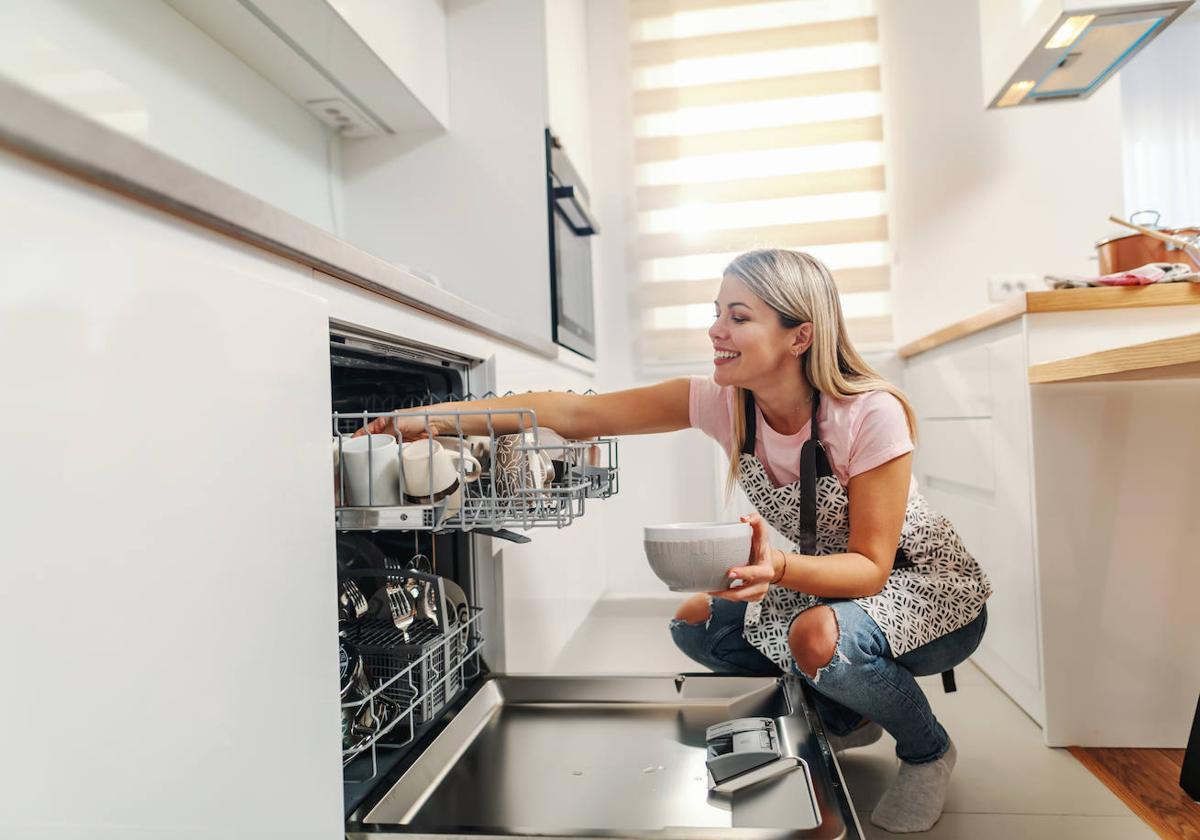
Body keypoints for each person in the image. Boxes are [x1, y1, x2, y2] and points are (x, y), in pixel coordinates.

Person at [361, 248, 991, 834]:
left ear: (799, 336)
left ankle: (927, 750)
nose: (716, 330)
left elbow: (871, 569)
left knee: (814, 637)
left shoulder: (867, 412)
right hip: (825, 583)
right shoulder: (728, 403)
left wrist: (775, 567)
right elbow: (580, 414)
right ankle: (846, 713)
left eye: (738, 317)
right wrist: (432, 419)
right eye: (716, 313)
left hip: (928, 594)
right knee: (697, 624)